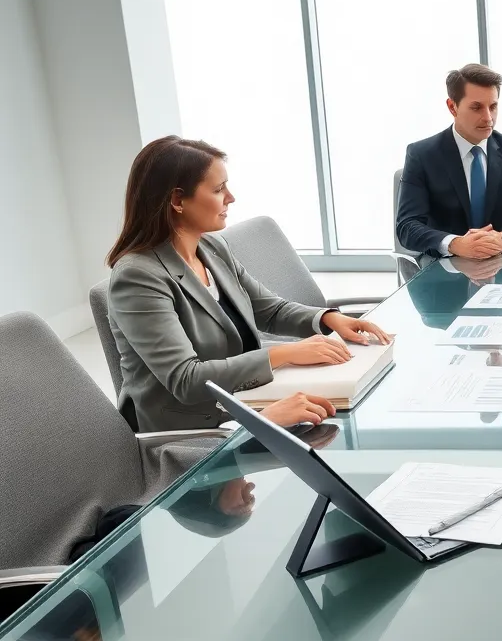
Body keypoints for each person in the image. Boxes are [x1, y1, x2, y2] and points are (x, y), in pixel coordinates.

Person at [106, 136, 390, 432]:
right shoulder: (137, 276)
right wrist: (285, 353)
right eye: (218, 189)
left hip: (244, 399)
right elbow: (185, 379)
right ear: (177, 200)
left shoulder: (212, 248)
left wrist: (330, 319)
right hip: (193, 430)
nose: (231, 197)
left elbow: (270, 310)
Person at [396, 63, 502, 261]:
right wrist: (455, 243)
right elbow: (407, 227)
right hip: (442, 271)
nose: (488, 118)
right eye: (476, 107)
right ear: (453, 107)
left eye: (493, 107)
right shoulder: (421, 155)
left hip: (499, 266)